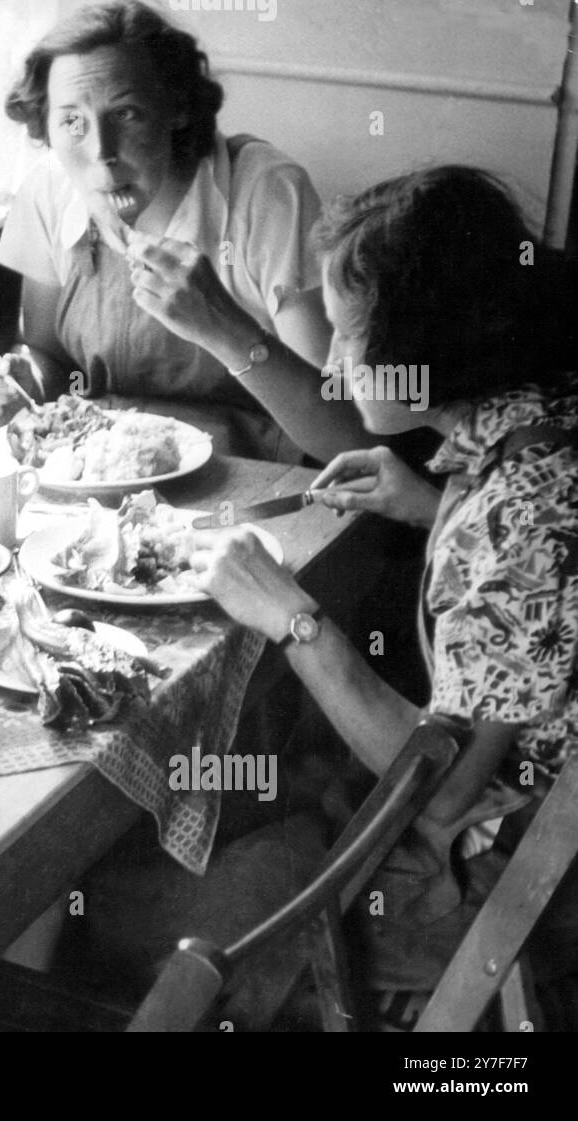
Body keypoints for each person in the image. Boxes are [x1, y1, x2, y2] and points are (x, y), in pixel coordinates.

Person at [191, 165, 578, 1024]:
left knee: (234, 915)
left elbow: (442, 791)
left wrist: (294, 618)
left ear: (423, 350)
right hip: (528, 797)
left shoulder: (515, 517)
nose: (330, 365)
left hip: (528, 879)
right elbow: (540, 589)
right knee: (280, 787)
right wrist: (433, 505)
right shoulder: (541, 419)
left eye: (344, 339)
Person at [0, 0, 371, 463]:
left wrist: (224, 329)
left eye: (126, 114)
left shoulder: (266, 192)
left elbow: (349, 433)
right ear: (46, 127)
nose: (101, 152)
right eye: (71, 120)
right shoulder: (49, 191)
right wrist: (20, 382)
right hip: (109, 477)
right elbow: (47, 357)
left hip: (261, 491)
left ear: (176, 108)